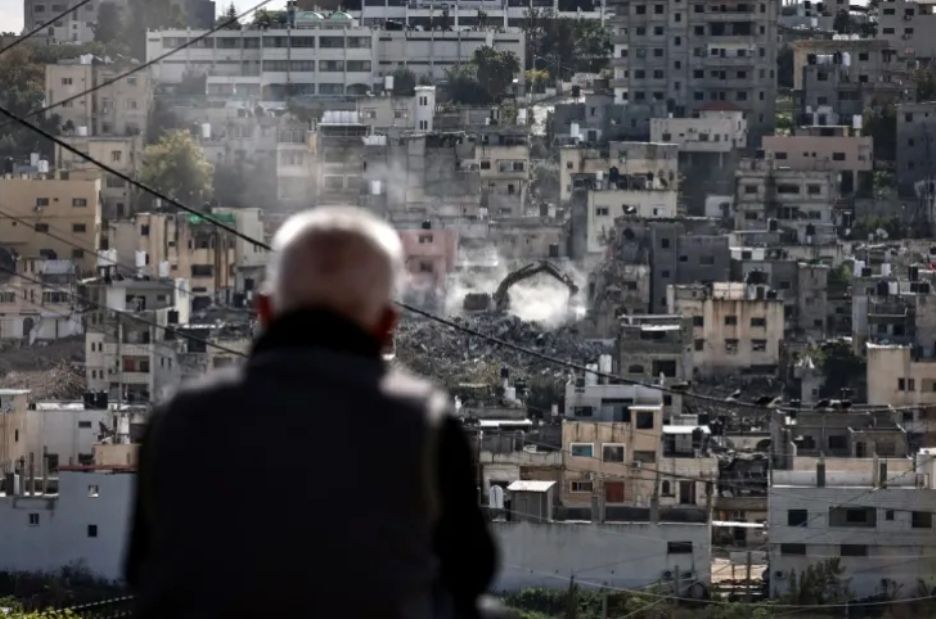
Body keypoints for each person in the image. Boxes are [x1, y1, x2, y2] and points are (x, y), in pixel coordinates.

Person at [125, 207, 497, 618]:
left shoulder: (178, 417)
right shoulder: (425, 424)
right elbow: (471, 571)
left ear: (264, 310)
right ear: (387, 325)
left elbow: (142, 569)